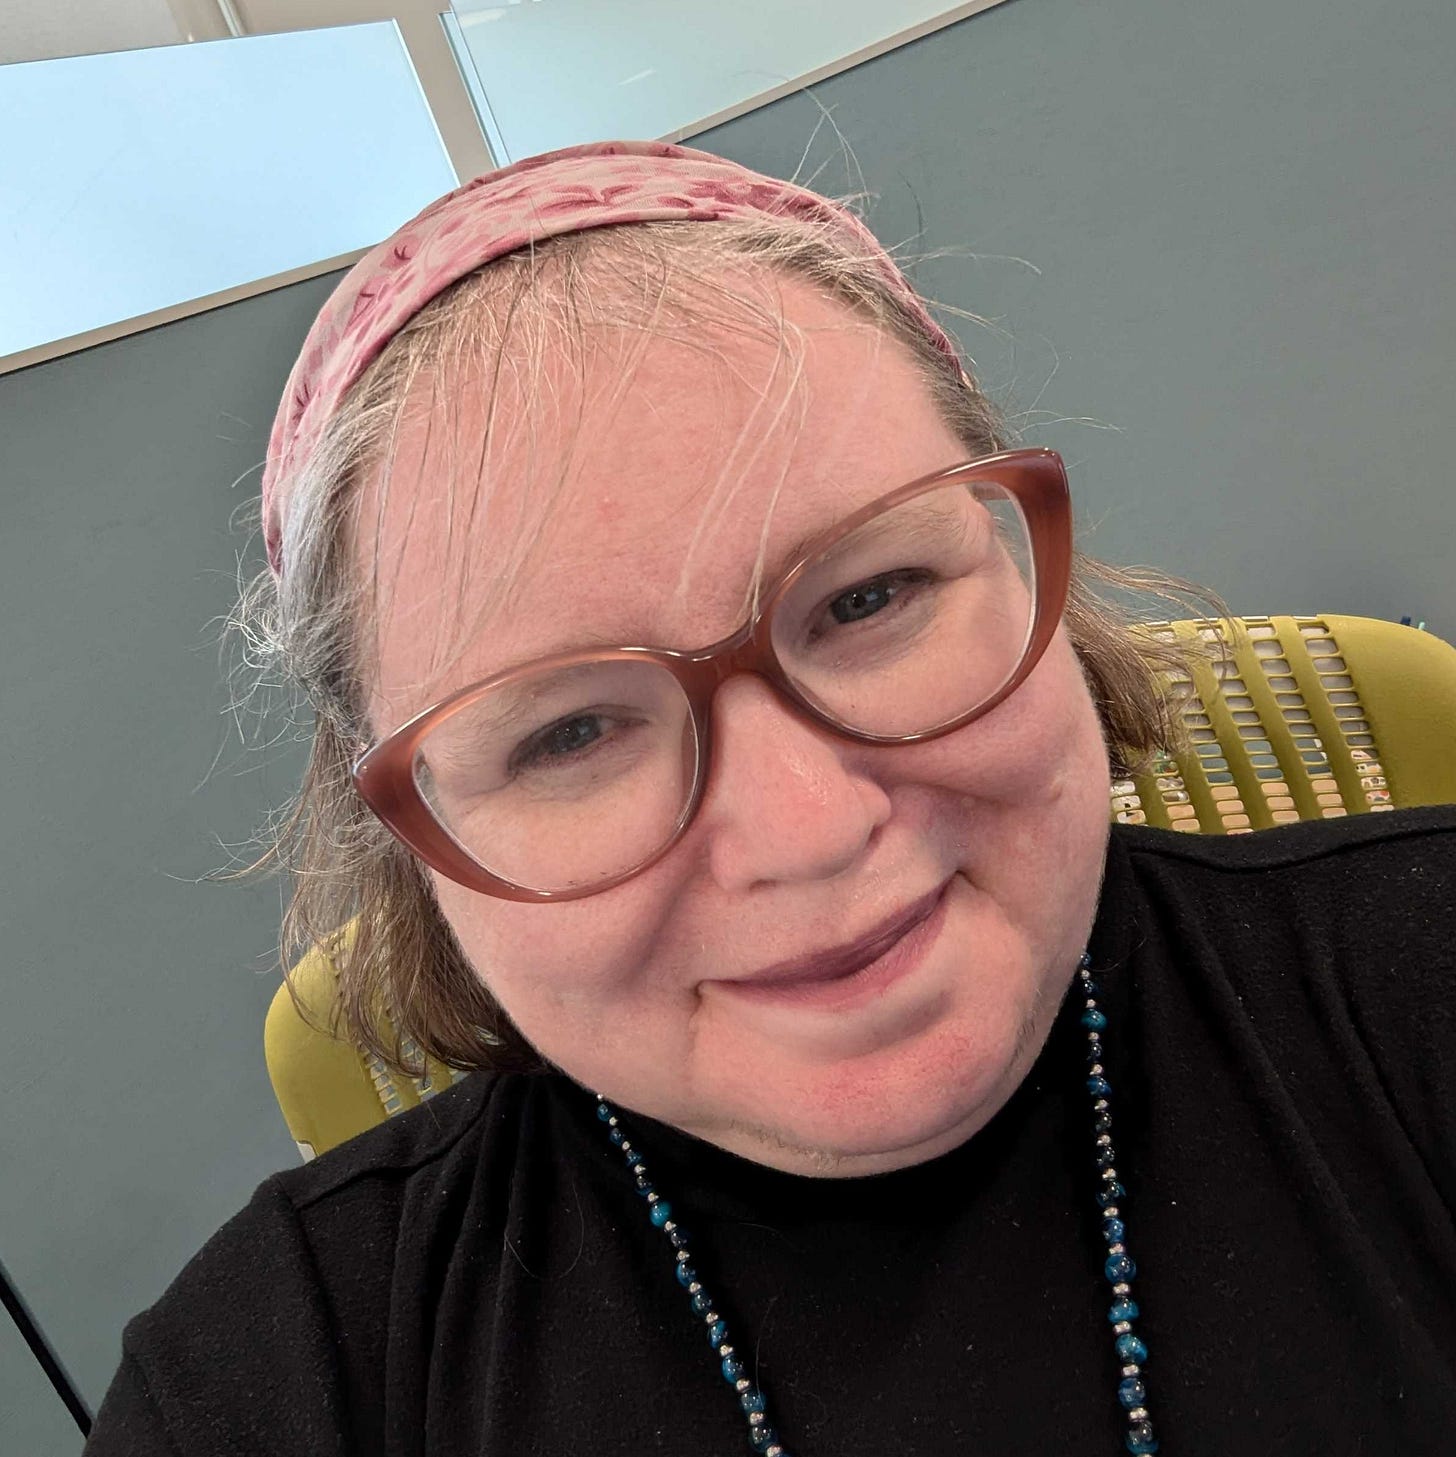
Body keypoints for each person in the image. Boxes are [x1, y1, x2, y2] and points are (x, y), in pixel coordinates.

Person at [85, 141, 1456, 1457]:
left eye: (870, 597)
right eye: (569, 733)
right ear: (412, 843)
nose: (808, 828)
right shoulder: (283, 1378)